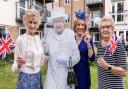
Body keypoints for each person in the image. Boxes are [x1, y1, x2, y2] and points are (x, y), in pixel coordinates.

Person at [43, 7, 80, 89]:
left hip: (66, 78)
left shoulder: (70, 34)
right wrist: (45, 37)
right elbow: (45, 51)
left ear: (63, 21)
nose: (57, 24)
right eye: (55, 22)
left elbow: (77, 56)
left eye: (59, 21)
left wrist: (67, 61)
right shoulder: (50, 34)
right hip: (52, 77)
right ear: (53, 23)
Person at [12, 9, 44, 89]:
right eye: (30, 22)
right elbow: (14, 67)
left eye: (35, 23)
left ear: (38, 24)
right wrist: (18, 64)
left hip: (38, 76)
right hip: (26, 78)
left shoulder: (38, 39)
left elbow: (41, 59)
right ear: (26, 22)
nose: (32, 26)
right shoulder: (21, 39)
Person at [96, 15, 127, 89]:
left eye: (108, 27)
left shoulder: (118, 45)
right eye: (103, 27)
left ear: (112, 29)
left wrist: (107, 66)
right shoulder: (99, 45)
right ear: (100, 30)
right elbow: (97, 62)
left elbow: (124, 72)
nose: (105, 29)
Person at [73, 10, 95, 89]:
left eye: (82, 25)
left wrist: (88, 44)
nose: (80, 27)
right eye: (78, 25)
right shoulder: (71, 39)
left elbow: (92, 58)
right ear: (75, 26)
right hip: (72, 72)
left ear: (85, 27)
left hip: (83, 73)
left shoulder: (88, 39)